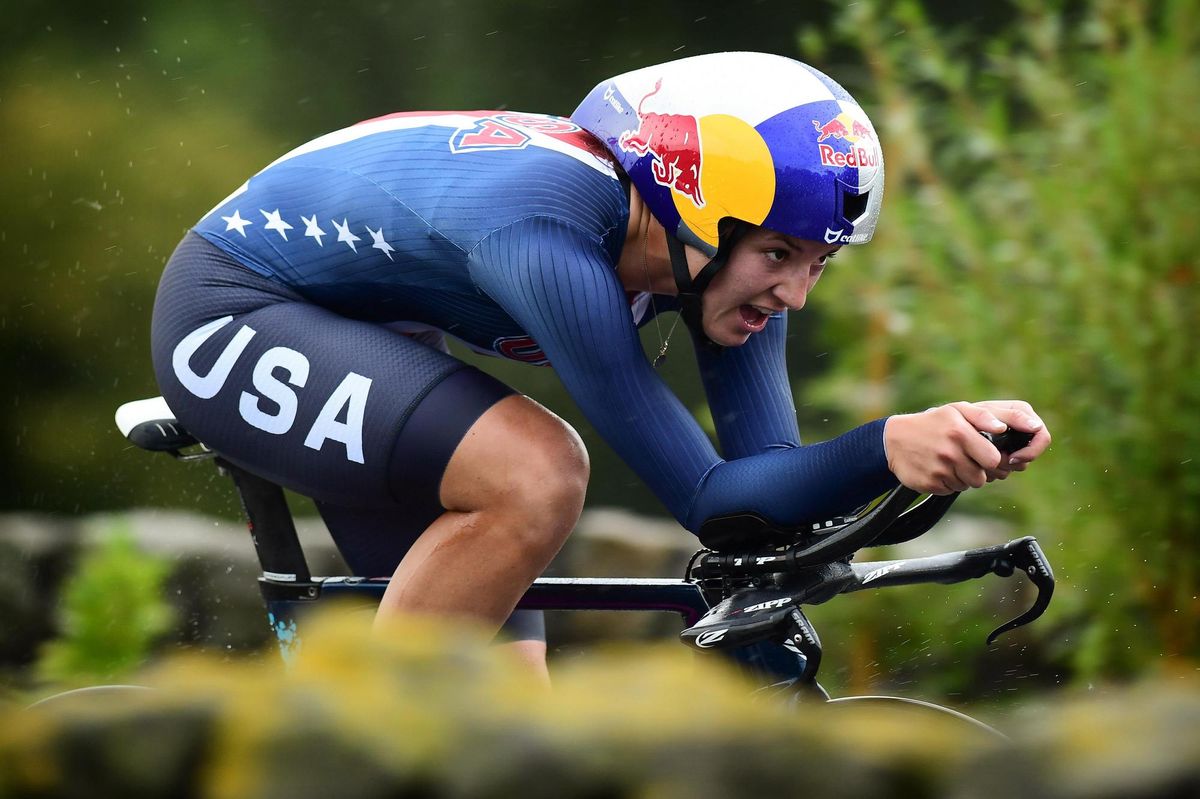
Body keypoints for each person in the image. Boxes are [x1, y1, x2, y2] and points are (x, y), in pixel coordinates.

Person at [150, 52, 1050, 682]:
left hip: (370, 332)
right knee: (539, 472)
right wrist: (886, 442)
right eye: (779, 253)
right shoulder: (546, 233)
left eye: (819, 260)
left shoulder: (715, 263)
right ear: (697, 212)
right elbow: (709, 496)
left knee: (508, 717)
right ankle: (350, 758)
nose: (796, 293)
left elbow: (758, 510)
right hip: (233, 306)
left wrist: (950, 444)